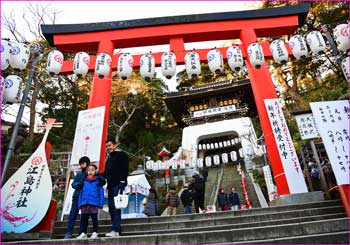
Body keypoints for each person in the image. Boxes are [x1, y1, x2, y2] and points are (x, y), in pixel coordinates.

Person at [64, 156, 105, 239]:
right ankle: (69, 232)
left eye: (83, 164)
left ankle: (84, 232)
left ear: (87, 164)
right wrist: (79, 184)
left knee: (89, 217)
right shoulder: (79, 175)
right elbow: (73, 184)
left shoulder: (95, 176)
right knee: (73, 215)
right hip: (78, 198)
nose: (81, 166)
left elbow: (103, 183)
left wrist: (98, 174)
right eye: (80, 164)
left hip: (91, 200)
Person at [103, 138, 129, 238]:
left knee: (115, 207)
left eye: (109, 145)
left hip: (118, 184)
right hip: (110, 185)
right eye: (106, 146)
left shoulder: (121, 154)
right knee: (111, 208)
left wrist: (123, 181)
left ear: (114, 145)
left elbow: (125, 168)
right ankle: (117, 229)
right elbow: (106, 173)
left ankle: (115, 230)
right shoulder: (109, 158)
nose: (108, 148)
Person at [76, 164, 105, 239]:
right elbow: (80, 194)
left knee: (94, 219)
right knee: (83, 220)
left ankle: (95, 232)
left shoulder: (98, 182)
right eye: (89, 170)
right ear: (86, 172)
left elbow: (101, 193)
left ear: (95, 171)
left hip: (94, 203)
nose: (90, 172)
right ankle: (83, 233)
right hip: (84, 203)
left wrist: (100, 204)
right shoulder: (83, 182)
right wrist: (79, 204)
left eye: (92, 170)